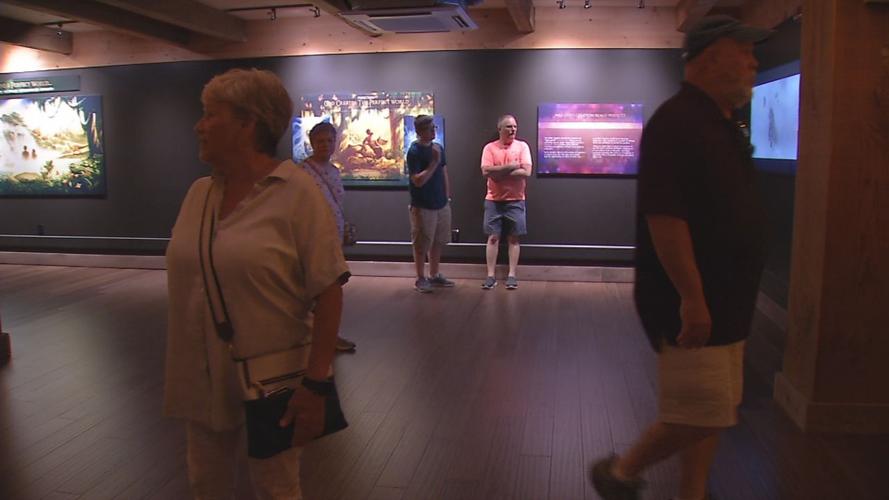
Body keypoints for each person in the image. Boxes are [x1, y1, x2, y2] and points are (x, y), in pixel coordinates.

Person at [589, 16, 771, 500]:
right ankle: (620, 473)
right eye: (743, 51)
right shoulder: (678, 122)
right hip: (696, 302)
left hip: (725, 300)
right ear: (710, 56)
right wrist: (691, 297)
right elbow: (665, 216)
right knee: (704, 411)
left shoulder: (717, 123)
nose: (753, 62)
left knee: (714, 407)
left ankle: (693, 491)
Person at [163, 68, 350, 500]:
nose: (199, 126)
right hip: (201, 372)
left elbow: (329, 290)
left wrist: (315, 384)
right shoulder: (199, 195)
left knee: (275, 487)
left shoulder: (295, 193)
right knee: (205, 484)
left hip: (274, 378)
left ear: (248, 123)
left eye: (211, 115)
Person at [301, 121, 357, 352]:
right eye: (320, 141)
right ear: (312, 143)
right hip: (313, 236)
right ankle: (318, 337)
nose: (325, 145)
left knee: (331, 287)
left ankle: (327, 335)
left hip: (333, 235)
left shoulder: (334, 170)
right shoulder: (303, 171)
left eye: (329, 140)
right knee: (320, 288)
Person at [479, 114, 532, 290]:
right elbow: (486, 172)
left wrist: (498, 172)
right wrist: (511, 166)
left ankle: (512, 276)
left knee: (513, 238)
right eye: (509, 127)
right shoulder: (489, 148)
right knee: (493, 238)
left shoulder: (522, 146)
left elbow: (526, 172)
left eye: (515, 126)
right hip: (493, 200)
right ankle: (490, 276)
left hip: (516, 200)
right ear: (500, 129)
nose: (513, 130)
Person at [405, 114, 454, 293]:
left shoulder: (438, 148)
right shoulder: (414, 151)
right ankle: (420, 278)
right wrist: (433, 162)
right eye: (429, 128)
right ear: (419, 131)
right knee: (421, 243)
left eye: (434, 128)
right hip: (422, 205)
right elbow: (417, 180)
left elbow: (444, 172)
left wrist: (446, 197)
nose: (433, 131)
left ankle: (434, 274)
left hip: (441, 203)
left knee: (437, 241)